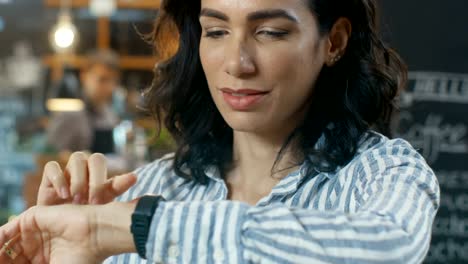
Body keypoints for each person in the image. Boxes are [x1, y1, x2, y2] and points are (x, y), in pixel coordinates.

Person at [0, 0, 440, 263]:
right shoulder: (156, 184)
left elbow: (388, 248)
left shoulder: (384, 173)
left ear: (334, 42)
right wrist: (75, 251)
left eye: (269, 32)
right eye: (215, 31)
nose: (236, 63)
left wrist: (137, 225)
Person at [46, 50, 120, 154]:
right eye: (102, 80)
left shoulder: (110, 114)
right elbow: (51, 155)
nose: (109, 88)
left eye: (113, 81)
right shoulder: (69, 113)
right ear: (84, 76)